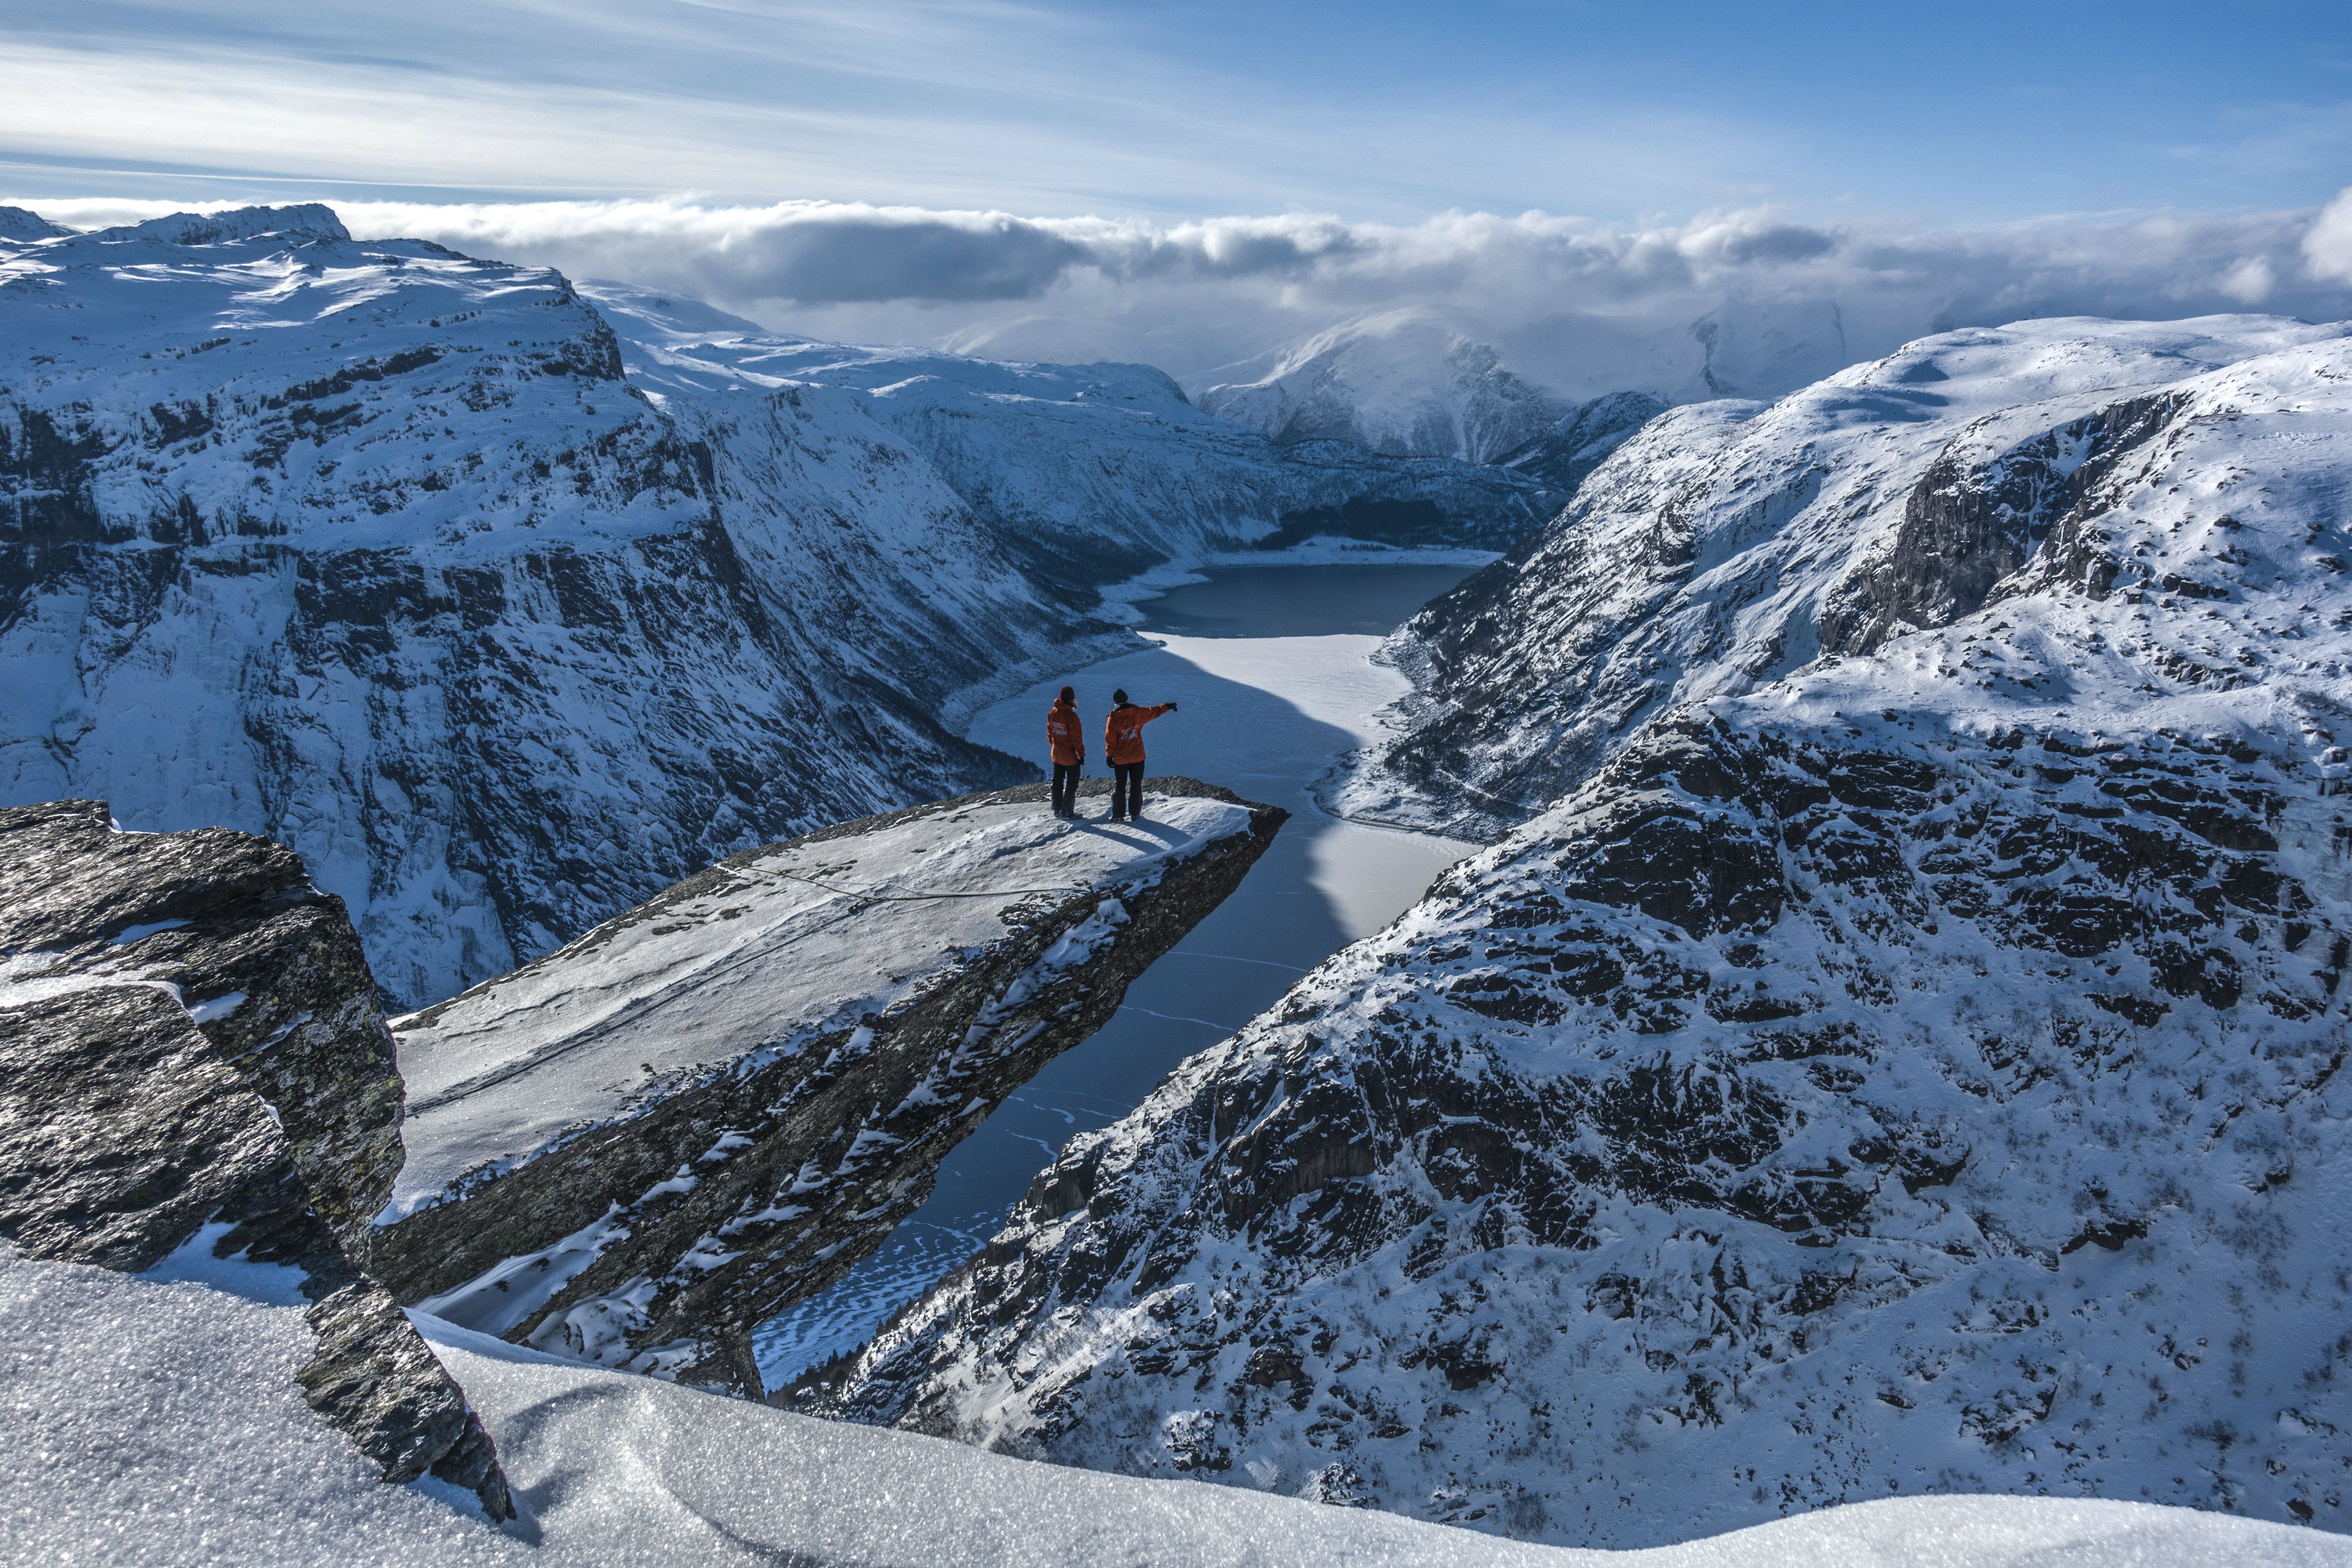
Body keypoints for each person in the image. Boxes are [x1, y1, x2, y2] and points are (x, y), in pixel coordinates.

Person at [1102, 687, 1176, 821]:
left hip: (1121, 759)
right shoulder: (1137, 713)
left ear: (1115, 702)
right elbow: (1154, 712)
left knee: (1120, 786)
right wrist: (1168, 706)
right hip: (1138, 757)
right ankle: (1135, 814)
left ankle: (1118, 815)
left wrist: (1109, 756)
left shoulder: (1113, 720)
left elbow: (1110, 740)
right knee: (1136, 784)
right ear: (1126, 699)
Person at [1045, 686, 1085, 817]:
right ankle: (1068, 812)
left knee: (1057, 781)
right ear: (1072, 699)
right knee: (1072, 783)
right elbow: (1076, 739)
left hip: (1057, 754)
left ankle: (1057, 808)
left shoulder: (1053, 712)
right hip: (1071, 756)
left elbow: (1050, 734)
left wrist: (1055, 746)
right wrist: (1081, 755)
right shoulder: (1072, 717)